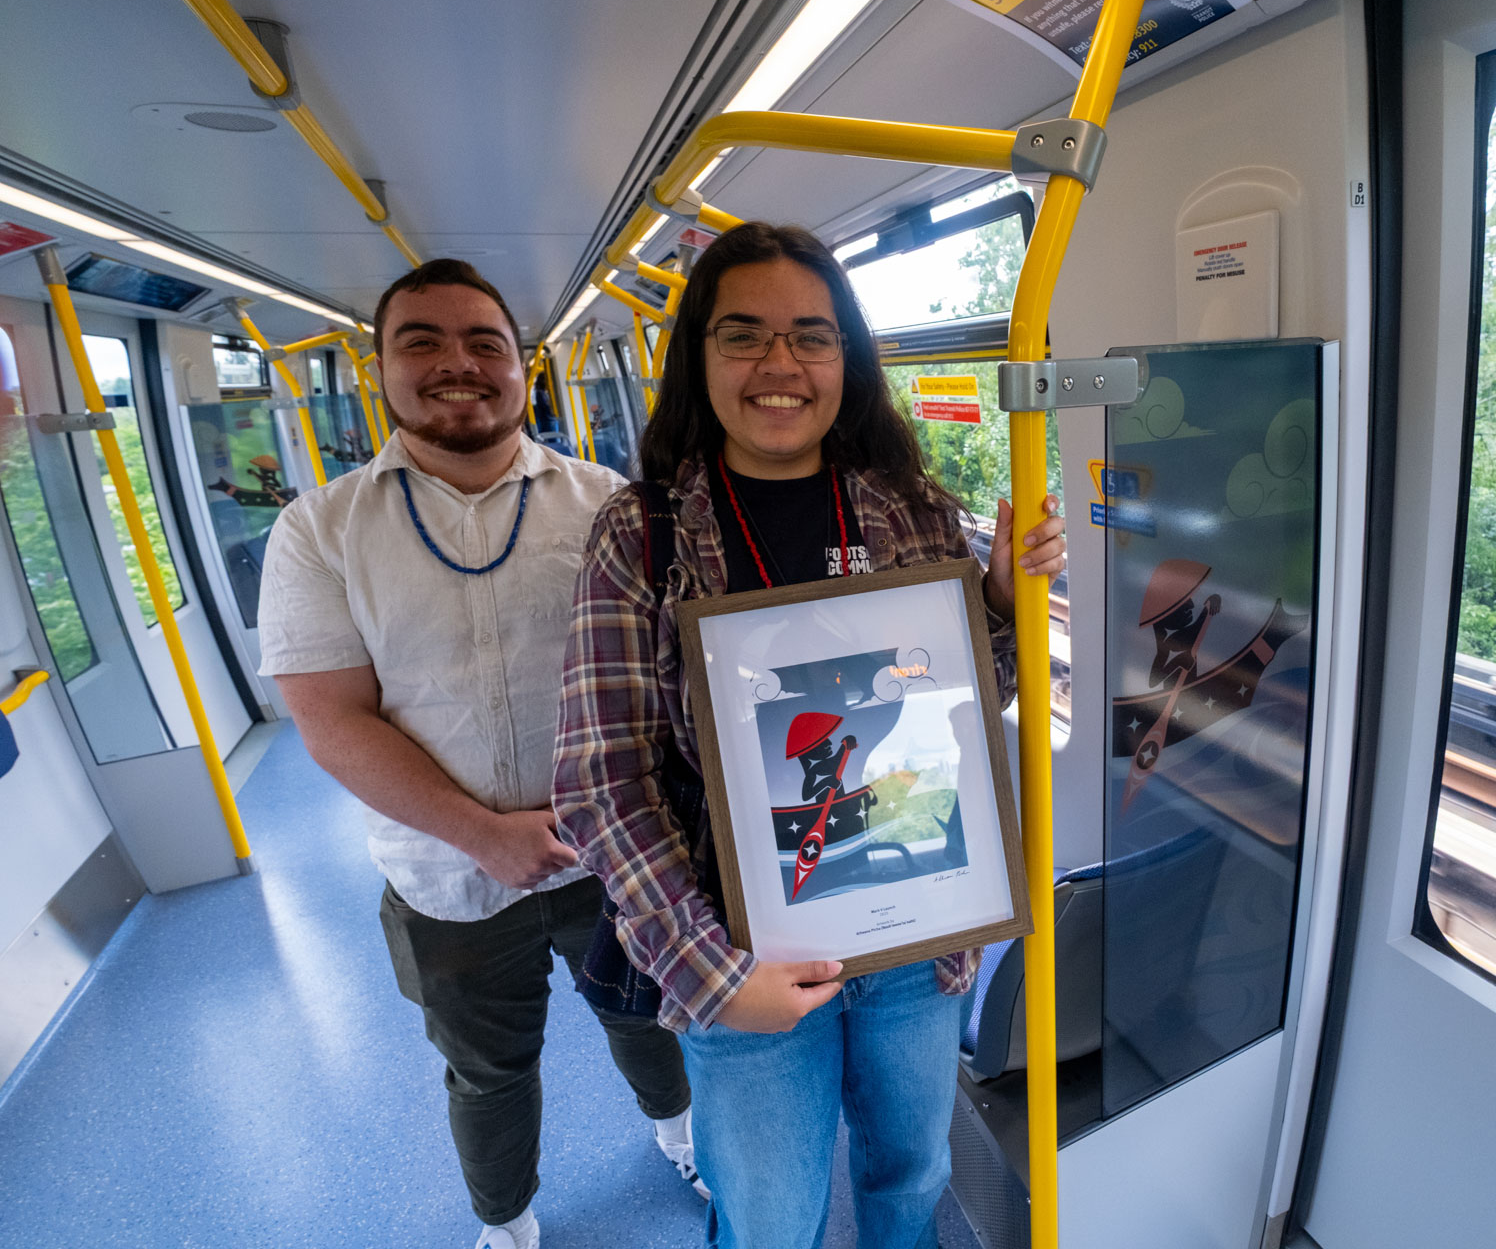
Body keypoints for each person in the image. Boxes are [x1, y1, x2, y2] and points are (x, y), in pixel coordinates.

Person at [551, 222, 1066, 1248]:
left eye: (812, 337)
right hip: (738, 945)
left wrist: (1002, 605)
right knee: (772, 1217)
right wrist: (710, 973)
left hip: (913, 934)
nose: (781, 365)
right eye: (745, 335)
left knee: (909, 1178)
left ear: (847, 361)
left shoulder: (915, 512)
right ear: (699, 358)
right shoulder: (642, 532)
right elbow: (603, 779)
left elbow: (954, 706)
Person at [257, 259, 702, 1249]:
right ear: (380, 368)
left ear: (523, 366)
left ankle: (679, 1135)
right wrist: (482, 834)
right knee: (488, 1067)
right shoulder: (319, 531)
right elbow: (332, 718)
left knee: (646, 1020)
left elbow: (669, 672)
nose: (457, 363)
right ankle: (506, 1220)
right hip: (442, 874)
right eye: (421, 340)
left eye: (484, 343)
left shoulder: (607, 504)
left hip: (613, 854)